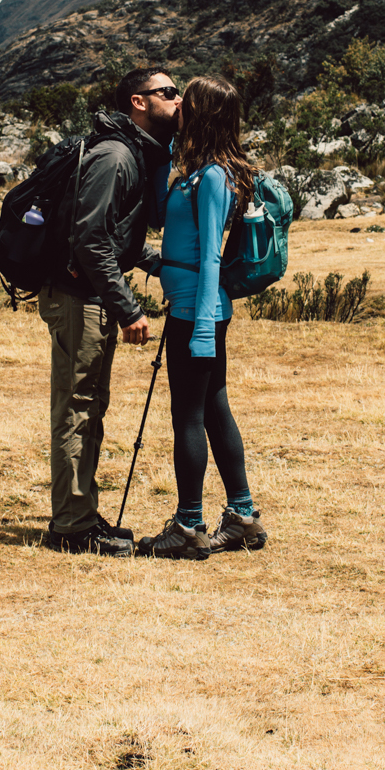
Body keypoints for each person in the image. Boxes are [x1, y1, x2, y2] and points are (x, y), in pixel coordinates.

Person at [40, 67, 180, 557]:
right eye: (168, 92)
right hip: (80, 297)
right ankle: (71, 529)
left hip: (92, 295)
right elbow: (89, 237)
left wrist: (161, 265)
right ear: (138, 103)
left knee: (90, 406)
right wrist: (128, 308)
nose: (178, 99)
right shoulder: (116, 156)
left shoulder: (135, 154)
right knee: (77, 407)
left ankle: (81, 515)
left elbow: (119, 236)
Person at [138, 75, 267, 560]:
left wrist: (201, 332)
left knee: (188, 414)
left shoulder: (214, 177)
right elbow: (159, 217)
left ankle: (189, 525)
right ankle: (242, 516)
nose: (178, 110)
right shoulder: (194, 172)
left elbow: (211, 255)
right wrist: (165, 153)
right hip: (197, 307)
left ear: (202, 115)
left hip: (199, 311)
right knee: (213, 409)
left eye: (185, 105)